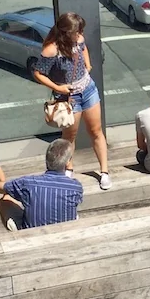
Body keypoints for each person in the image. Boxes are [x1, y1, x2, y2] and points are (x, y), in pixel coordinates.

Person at [32, 13, 110, 190]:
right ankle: (69, 168)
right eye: (76, 30)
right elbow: (38, 73)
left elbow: (83, 49)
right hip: (68, 98)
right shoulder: (51, 49)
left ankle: (104, 172)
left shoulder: (79, 39)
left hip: (88, 89)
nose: (80, 33)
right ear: (66, 32)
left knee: (96, 130)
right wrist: (58, 88)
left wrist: (88, 65)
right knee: (69, 137)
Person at [0, 139, 84, 231]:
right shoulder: (76, 187)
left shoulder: (28, 183)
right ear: (68, 162)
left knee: (5, 198)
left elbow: (0, 187)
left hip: (32, 234)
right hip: (65, 233)